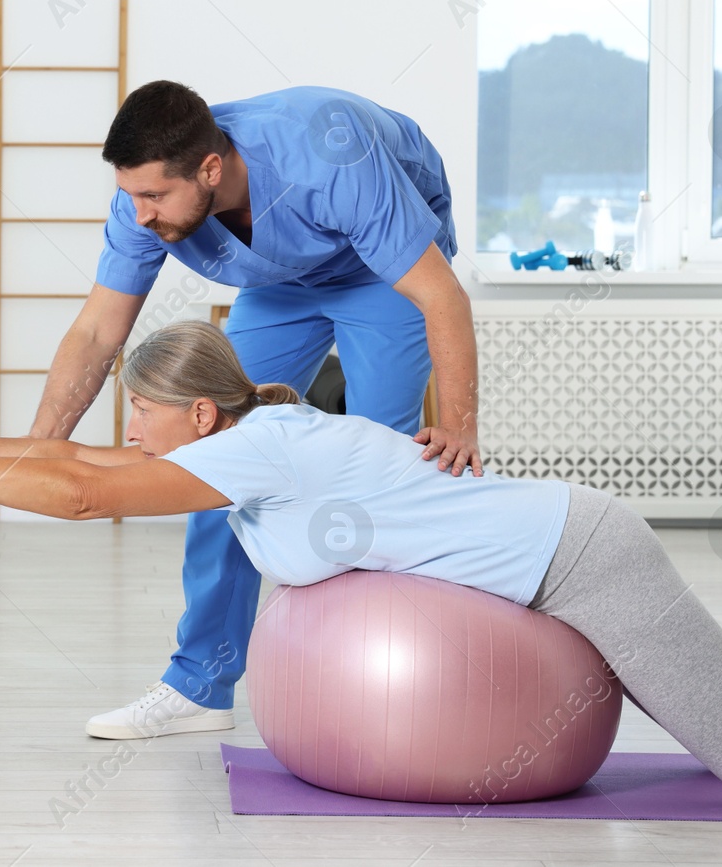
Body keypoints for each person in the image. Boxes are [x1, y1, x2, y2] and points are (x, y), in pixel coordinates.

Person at [0, 320, 722, 812]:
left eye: (142, 417)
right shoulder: (252, 433)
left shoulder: (254, 446)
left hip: (579, 558)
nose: (132, 434)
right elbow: (74, 460)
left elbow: (80, 490)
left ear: (194, 411)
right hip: (570, 547)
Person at [25, 80, 481, 738]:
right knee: (213, 461)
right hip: (281, 282)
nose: (140, 213)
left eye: (154, 195)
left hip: (381, 271)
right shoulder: (146, 202)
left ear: (210, 169)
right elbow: (99, 331)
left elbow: (443, 298)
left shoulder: (329, 157)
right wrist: (38, 449)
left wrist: (461, 427)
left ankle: (379, 680)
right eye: (131, 194)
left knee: (376, 475)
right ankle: (200, 686)